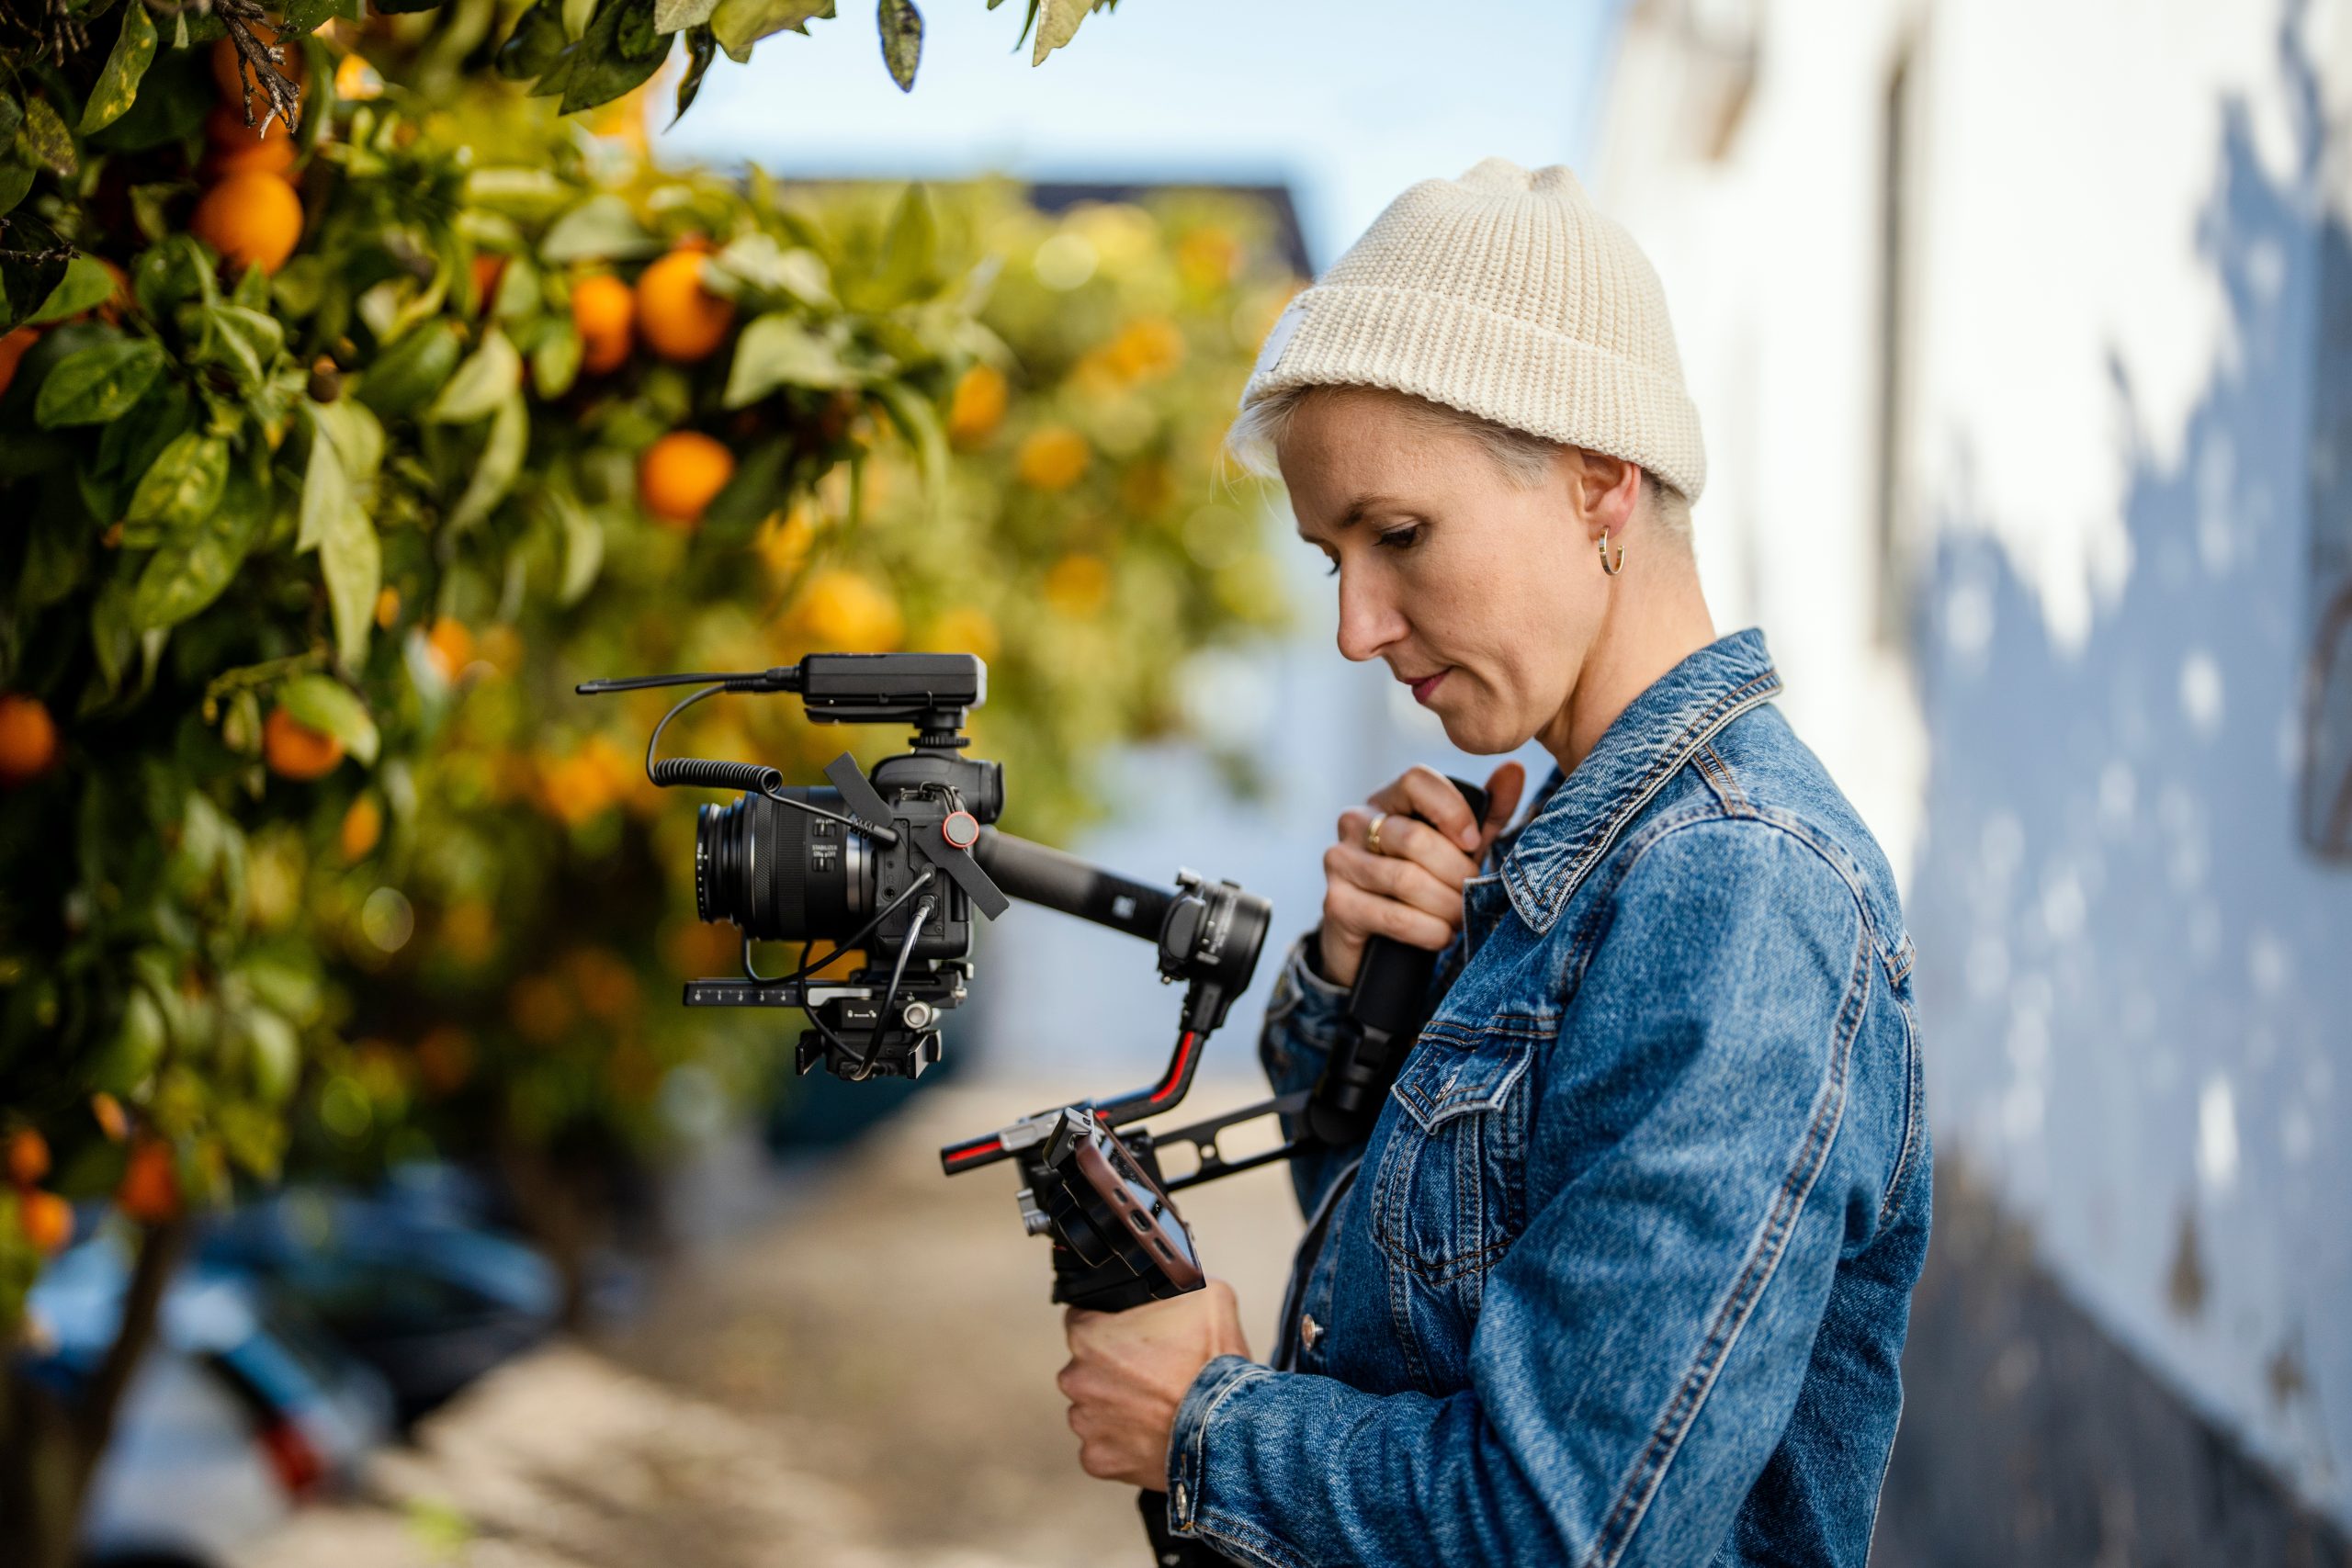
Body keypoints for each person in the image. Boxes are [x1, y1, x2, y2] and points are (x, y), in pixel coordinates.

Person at [1054, 157, 1931, 1566]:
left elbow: (1567, 1527)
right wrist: (1358, 988)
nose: (1357, 626)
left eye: (1397, 536)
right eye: (1331, 556)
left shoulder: (1737, 889)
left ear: (1599, 484)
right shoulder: (1566, 858)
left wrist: (1205, 1426)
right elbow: (1406, 1300)